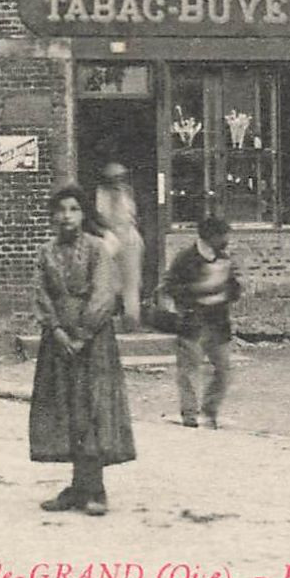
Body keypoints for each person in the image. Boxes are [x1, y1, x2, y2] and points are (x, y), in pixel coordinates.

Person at [28, 184, 135, 516]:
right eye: (60, 211)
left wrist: (82, 333)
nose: (66, 217)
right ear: (52, 217)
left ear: (84, 214)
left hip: (94, 343)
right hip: (58, 343)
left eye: (73, 209)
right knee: (66, 410)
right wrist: (57, 330)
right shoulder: (46, 253)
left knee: (93, 408)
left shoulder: (97, 250)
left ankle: (96, 489)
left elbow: (104, 293)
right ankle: (76, 487)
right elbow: (41, 293)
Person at [161, 216, 242, 429]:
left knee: (223, 370)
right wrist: (198, 290)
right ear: (210, 237)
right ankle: (190, 414)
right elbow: (169, 287)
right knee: (189, 370)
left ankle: (210, 410)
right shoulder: (186, 259)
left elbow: (235, 289)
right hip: (192, 321)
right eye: (222, 236)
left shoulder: (223, 258)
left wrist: (227, 288)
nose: (226, 240)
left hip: (217, 323)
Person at [96, 162, 145, 331]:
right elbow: (102, 216)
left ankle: (131, 320)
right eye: (114, 178)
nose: (118, 181)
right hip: (111, 238)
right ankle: (106, 320)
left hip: (129, 237)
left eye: (120, 177)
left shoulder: (127, 192)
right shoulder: (102, 193)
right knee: (108, 280)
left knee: (131, 281)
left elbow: (133, 215)